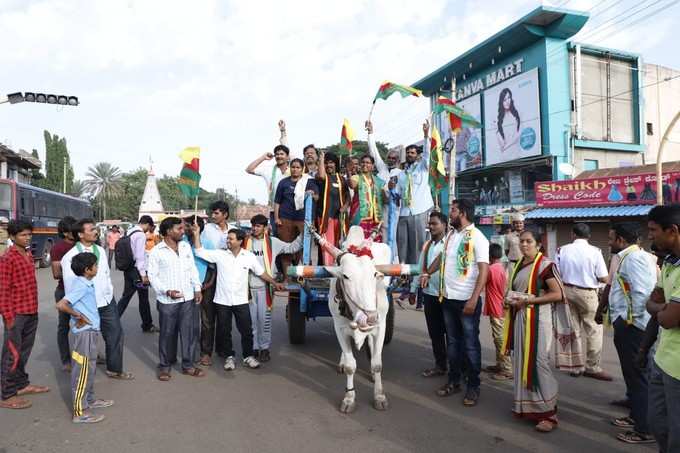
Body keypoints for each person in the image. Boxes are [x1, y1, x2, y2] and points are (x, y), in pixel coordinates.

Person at [503, 229, 580, 433]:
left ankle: (549, 413)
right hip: (521, 318)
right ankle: (529, 407)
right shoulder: (520, 264)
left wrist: (529, 300)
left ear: (539, 244)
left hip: (538, 321)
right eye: (521, 241)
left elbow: (557, 294)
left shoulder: (545, 265)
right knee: (522, 362)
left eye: (529, 241)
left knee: (538, 364)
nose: (524, 245)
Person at [421, 199, 489, 407]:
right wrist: (427, 273)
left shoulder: (478, 238)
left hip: (467, 301)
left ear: (463, 213)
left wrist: (474, 298)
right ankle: (454, 381)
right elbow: (442, 258)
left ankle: (473, 386)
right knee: (453, 344)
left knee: (470, 345)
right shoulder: (451, 235)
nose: (449, 213)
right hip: (448, 299)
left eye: (453, 210)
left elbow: (484, 271)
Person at [594, 223, 656, 444]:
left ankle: (644, 428)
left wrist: (634, 327)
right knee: (633, 377)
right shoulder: (627, 257)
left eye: (610, 238)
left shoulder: (635, 259)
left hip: (635, 329)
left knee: (639, 378)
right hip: (628, 326)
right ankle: (637, 416)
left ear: (620, 239)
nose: (608, 242)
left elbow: (642, 296)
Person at [192, 227, 285, 371]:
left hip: (241, 301)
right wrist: (196, 234)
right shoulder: (220, 255)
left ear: (240, 241)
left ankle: (248, 356)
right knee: (224, 331)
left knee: (246, 330)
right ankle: (229, 357)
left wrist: (275, 283)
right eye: (227, 238)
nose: (227, 241)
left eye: (231, 239)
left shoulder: (248, 256)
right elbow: (199, 251)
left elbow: (261, 273)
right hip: (222, 301)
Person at [62, 218, 134, 381]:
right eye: (91, 229)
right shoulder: (71, 257)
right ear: (80, 234)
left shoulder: (100, 251)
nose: (96, 231)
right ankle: (85, 382)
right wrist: (77, 313)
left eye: (96, 228)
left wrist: (109, 293)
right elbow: (70, 287)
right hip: (86, 307)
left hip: (106, 302)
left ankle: (114, 369)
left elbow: (106, 276)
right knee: (86, 343)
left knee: (115, 334)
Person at [56, 252, 114, 424]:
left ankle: (90, 400)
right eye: (95, 266)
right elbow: (61, 304)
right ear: (87, 270)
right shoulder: (81, 285)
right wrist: (78, 316)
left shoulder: (86, 283)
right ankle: (80, 412)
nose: (97, 268)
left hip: (90, 331)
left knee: (90, 368)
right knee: (82, 372)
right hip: (84, 334)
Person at [147, 217, 205, 381]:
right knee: (167, 334)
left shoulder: (186, 246)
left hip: (187, 298)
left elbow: (192, 268)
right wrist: (166, 291)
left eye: (182, 228)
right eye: (178, 229)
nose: (182, 231)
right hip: (168, 301)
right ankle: (164, 366)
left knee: (189, 333)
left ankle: (188, 365)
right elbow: (152, 276)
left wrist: (197, 288)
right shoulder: (157, 251)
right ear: (167, 231)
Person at [0, 221, 49, 410]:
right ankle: (6, 394)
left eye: (29, 234)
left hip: (31, 311)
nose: (27, 237)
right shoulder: (8, 258)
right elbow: (3, 290)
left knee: (23, 352)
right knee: (11, 355)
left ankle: (21, 384)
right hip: (16, 314)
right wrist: (8, 317)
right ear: (13, 237)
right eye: (23, 235)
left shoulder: (28, 254)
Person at [555, 223, 610, 380]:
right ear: (589, 236)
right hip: (587, 293)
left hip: (566, 291)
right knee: (593, 330)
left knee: (573, 330)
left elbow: (556, 274)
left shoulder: (561, 250)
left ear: (573, 234)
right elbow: (603, 277)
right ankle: (592, 366)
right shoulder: (595, 252)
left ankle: (575, 366)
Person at [244, 214, 302, 362]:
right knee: (251, 322)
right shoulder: (245, 242)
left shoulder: (272, 242)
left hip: (265, 288)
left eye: (257, 226)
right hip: (248, 289)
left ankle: (264, 349)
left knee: (264, 321)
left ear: (265, 227)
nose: (254, 229)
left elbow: (292, 247)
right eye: (253, 226)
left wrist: (304, 234)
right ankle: (254, 348)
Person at [646, 205, 680, 453]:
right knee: (659, 426)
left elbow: (669, 319)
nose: (650, 236)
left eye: (653, 230)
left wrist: (663, 310)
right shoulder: (669, 262)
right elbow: (652, 303)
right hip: (662, 359)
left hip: (678, 370)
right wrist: (663, 309)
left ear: (673, 231)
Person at [412, 211, 447, 377]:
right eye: (430, 224)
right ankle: (440, 366)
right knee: (435, 334)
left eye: (434, 224)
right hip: (429, 295)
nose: (431, 226)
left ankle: (458, 369)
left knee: (453, 335)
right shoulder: (427, 245)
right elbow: (420, 268)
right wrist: (413, 289)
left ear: (444, 225)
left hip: (447, 295)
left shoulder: (450, 244)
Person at [395, 121, 433, 267]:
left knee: (417, 245)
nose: (410, 155)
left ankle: (416, 278)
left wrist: (426, 135)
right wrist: (392, 189)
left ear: (418, 156)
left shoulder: (423, 168)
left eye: (412, 153)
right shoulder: (402, 174)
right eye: (408, 153)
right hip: (404, 213)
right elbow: (397, 194)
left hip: (419, 211)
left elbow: (428, 154)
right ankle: (404, 277)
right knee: (402, 245)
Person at [274, 158, 319, 280]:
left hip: (302, 219)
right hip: (285, 218)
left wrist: (311, 193)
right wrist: (277, 218)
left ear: (302, 169)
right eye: (293, 167)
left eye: (298, 167)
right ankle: (287, 277)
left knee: (300, 249)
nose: (295, 169)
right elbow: (277, 202)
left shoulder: (308, 181)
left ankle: (299, 275)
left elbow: (316, 197)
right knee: (286, 248)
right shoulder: (283, 182)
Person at [245, 120, 291, 235]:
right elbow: (249, 169)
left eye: (282, 154)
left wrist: (283, 131)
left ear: (287, 156)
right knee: (276, 238)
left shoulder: (294, 169)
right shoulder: (270, 170)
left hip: (291, 209)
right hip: (274, 210)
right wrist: (263, 157)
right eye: (277, 154)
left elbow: (286, 145)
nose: (279, 156)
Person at [182, 216, 217, 367]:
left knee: (207, 321)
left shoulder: (207, 243)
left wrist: (208, 284)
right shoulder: (181, 241)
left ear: (196, 227)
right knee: (189, 322)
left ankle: (206, 353)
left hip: (204, 287)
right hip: (186, 287)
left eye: (188, 226)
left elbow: (213, 267)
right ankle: (190, 352)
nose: (184, 228)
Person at [117, 215, 157, 333]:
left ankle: (113, 320)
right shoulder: (140, 235)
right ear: (147, 224)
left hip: (128, 270)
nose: (148, 230)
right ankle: (147, 325)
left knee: (126, 296)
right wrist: (143, 275)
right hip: (137, 272)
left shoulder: (129, 232)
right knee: (143, 299)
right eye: (149, 227)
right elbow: (140, 257)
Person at [50, 215, 77, 371]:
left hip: (82, 293)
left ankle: (89, 354)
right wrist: (77, 273)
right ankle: (66, 360)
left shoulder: (81, 245)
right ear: (65, 233)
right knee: (64, 327)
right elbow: (56, 273)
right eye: (72, 229)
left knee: (86, 325)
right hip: (64, 292)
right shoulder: (58, 248)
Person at [316, 151, 350, 265]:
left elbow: (348, 197)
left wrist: (345, 207)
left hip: (339, 218)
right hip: (326, 218)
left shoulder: (342, 179)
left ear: (336, 164)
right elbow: (321, 174)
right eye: (326, 163)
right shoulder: (321, 177)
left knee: (338, 243)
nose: (328, 165)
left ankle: (338, 268)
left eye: (331, 162)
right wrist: (321, 158)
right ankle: (328, 269)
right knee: (327, 244)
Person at [485, 243, 512, 381]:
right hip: (501, 306)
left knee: (500, 339)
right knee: (498, 338)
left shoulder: (490, 270)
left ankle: (507, 369)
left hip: (496, 308)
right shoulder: (501, 268)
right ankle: (500, 364)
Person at [348, 154, 387, 240]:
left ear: (373, 166)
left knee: (373, 245)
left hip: (374, 218)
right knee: (357, 243)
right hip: (360, 216)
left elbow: (385, 200)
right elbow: (352, 185)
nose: (365, 164)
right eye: (363, 162)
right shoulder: (357, 177)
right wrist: (349, 171)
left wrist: (386, 192)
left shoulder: (379, 181)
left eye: (368, 162)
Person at [496, 87, 521, 152]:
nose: (507, 101)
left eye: (509, 98)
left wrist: (506, 146)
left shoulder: (515, 114)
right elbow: (502, 144)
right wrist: (497, 133)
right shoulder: (501, 119)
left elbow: (518, 135)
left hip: (516, 153)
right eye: (504, 100)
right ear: (501, 102)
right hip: (505, 156)